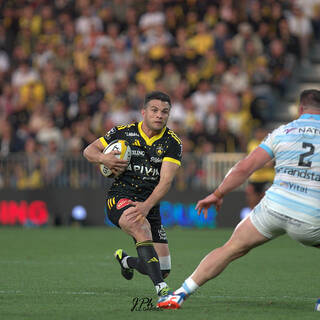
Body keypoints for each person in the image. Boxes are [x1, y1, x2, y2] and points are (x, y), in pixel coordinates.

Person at [157, 89, 320, 310]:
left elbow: (245, 167)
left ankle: (180, 293)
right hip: (310, 215)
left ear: (300, 109)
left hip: (273, 207)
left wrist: (217, 194)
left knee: (231, 248)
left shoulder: (282, 131)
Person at [83, 91, 182, 298]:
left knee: (162, 269)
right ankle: (163, 292)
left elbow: (166, 182)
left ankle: (126, 261)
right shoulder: (123, 132)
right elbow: (88, 151)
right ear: (143, 112)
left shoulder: (172, 143)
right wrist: (104, 159)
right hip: (120, 197)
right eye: (154, 110)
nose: (159, 115)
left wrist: (147, 206)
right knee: (140, 225)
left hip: (150, 204)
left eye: (164, 112)